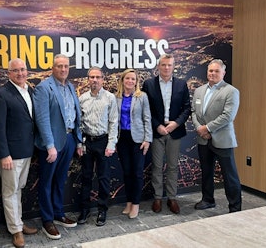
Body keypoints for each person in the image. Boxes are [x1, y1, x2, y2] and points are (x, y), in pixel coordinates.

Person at [0, 58, 38, 248]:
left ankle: (18, 222)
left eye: (23, 69)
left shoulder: (29, 90)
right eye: (15, 70)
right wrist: (3, 154)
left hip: (26, 151)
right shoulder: (1, 94)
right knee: (10, 192)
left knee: (18, 189)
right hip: (10, 155)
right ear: (8, 73)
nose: (20, 73)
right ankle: (16, 230)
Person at [33, 54, 83, 240]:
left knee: (60, 179)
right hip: (52, 144)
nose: (63, 69)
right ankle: (47, 220)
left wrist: (78, 141)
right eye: (59, 66)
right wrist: (49, 145)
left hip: (69, 140)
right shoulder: (43, 88)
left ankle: (58, 213)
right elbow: (42, 119)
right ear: (53, 67)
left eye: (66, 66)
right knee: (46, 181)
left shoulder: (70, 87)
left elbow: (76, 115)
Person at [142, 54, 191, 214]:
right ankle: (157, 198)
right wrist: (157, 126)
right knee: (156, 166)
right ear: (158, 66)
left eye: (169, 65)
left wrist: (175, 124)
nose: (166, 68)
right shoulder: (149, 84)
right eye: (163, 65)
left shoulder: (181, 84)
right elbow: (146, 109)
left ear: (173, 66)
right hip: (157, 132)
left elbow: (187, 108)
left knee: (172, 167)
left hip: (174, 131)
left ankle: (172, 198)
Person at [191, 59, 242, 213]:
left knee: (229, 175)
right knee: (206, 172)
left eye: (216, 71)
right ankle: (207, 199)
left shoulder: (231, 91)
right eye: (210, 71)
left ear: (223, 73)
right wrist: (199, 128)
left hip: (223, 139)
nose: (212, 73)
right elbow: (194, 112)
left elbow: (228, 116)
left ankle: (235, 206)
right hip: (203, 139)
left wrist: (207, 128)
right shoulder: (199, 91)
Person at [77, 67, 118, 226]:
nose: (94, 80)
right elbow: (79, 123)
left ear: (103, 79)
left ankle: (102, 210)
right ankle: (85, 210)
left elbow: (114, 122)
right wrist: (80, 143)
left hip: (103, 142)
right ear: (88, 79)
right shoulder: (82, 99)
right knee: (86, 177)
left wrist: (111, 144)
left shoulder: (110, 98)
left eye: (97, 77)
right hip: (87, 142)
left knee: (104, 178)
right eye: (92, 77)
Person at [115, 69, 152, 219]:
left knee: (137, 173)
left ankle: (136, 204)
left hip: (138, 139)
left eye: (133, 79)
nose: (130, 81)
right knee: (127, 172)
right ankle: (129, 202)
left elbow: (147, 118)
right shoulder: (116, 97)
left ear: (136, 82)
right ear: (122, 80)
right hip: (122, 138)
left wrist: (147, 139)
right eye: (127, 78)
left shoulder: (142, 97)